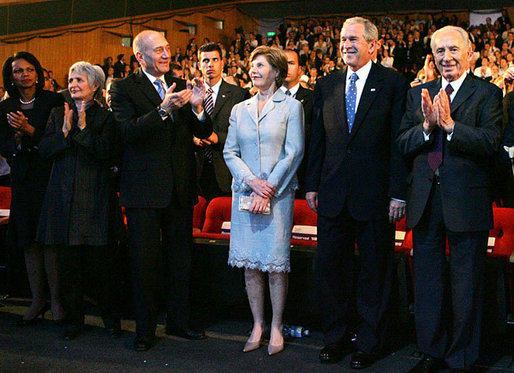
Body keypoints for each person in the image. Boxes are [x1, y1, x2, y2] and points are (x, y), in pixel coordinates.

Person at [397, 26, 503, 373]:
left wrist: (451, 126)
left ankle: (462, 358)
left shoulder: (487, 93)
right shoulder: (419, 94)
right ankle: (431, 353)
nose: (447, 57)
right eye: (440, 51)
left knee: (465, 285)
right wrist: (427, 128)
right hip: (425, 201)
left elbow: (490, 143)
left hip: (466, 203)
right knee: (427, 284)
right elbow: (402, 143)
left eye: (454, 50)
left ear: (470, 53)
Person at [305, 17, 409, 368]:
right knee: (331, 271)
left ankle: (370, 341)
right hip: (332, 193)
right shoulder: (327, 84)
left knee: (374, 273)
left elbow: (398, 144)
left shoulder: (393, 83)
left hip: (376, 197)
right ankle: (335, 339)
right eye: (342, 39)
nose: (346, 44)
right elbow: (318, 137)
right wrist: (313, 184)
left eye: (353, 39)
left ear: (373, 45)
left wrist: (398, 193)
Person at [109, 30, 212, 351]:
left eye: (168, 49)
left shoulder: (181, 85)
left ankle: (179, 322)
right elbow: (127, 133)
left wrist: (196, 108)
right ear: (140, 57)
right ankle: (145, 330)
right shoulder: (123, 89)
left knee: (181, 261)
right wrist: (164, 109)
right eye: (159, 50)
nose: (167, 55)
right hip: (143, 193)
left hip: (180, 191)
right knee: (145, 264)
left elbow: (203, 131)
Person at [223, 45, 304, 356]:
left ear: (276, 70)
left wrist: (267, 186)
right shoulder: (239, 108)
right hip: (244, 193)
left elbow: (293, 152)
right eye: (251, 65)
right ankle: (257, 323)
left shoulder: (290, 106)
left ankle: (277, 325)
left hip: (278, 194)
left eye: (260, 65)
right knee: (250, 265)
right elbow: (230, 151)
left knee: (274, 265)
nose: (253, 70)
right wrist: (251, 182)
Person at [37, 62, 122, 340]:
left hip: (95, 201)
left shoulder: (106, 117)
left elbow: (107, 153)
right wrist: (63, 132)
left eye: (80, 80)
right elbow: (45, 151)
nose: (73, 85)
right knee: (68, 269)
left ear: (95, 86)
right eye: (71, 79)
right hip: (63, 201)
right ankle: (73, 321)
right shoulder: (57, 113)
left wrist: (83, 130)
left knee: (102, 269)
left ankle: (111, 319)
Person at [0, 52, 65, 324]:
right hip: (23, 179)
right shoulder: (5, 107)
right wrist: (15, 139)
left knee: (49, 241)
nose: (24, 75)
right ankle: (37, 300)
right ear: (11, 76)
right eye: (18, 71)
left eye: (29, 69)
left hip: (49, 177)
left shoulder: (53, 101)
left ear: (38, 73)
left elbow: (58, 139)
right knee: (28, 241)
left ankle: (58, 302)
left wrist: (27, 129)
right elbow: (2, 144)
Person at [194, 42, 250, 201]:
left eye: (215, 60)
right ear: (199, 65)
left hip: (225, 170)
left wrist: (219, 138)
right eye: (205, 61)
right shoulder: (189, 93)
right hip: (195, 169)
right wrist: (193, 138)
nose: (210, 64)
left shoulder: (238, 95)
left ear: (222, 63)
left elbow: (245, 134)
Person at [280, 49, 313, 198]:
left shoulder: (313, 99)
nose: (286, 67)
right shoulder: (264, 99)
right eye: (282, 63)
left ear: (300, 70)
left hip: (302, 173)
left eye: (291, 63)